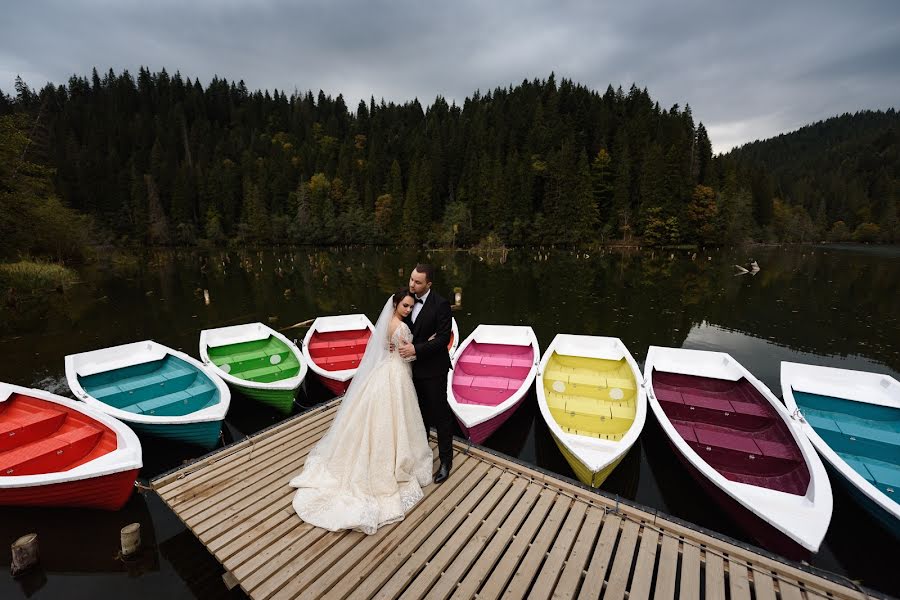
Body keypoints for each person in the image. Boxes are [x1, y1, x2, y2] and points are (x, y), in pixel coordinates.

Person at [288, 289, 433, 535]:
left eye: (410, 307)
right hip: (396, 373)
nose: (408, 310)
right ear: (396, 304)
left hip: (385, 370)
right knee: (396, 414)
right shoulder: (399, 328)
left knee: (385, 416)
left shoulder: (388, 322)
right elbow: (406, 355)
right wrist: (425, 345)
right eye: (405, 306)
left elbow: (388, 349)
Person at [398, 263, 454, 484]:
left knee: (440, 416)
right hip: (409, 370)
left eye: (417, 282)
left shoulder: (441, 305)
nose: (412, 284)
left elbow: (442, 339)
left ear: (429, 284)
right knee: (417, 415)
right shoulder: (405, 298)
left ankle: (446, 461)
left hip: (433, 371)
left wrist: (417, 348)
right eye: (411, 279)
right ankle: (422, 456)